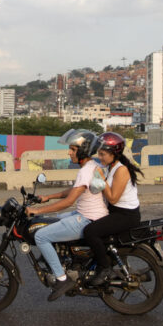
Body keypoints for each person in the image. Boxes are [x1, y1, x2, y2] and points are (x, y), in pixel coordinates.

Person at [25, 129, 108, 301]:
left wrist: (38, 210)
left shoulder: (85, 171)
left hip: (87, 219)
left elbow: (68, 201)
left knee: (41, 236)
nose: (69, 152)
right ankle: (59, 257)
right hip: (90, 214)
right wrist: (48, 197)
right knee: (54, 222)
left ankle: (62, 279)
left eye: (73, 149)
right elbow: (75, 190)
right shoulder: (92, 166)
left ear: (83, 150)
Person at [83, 132, 144, 285]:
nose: (100, 157)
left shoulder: (121, 170)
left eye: (103, 154)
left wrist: (101, 179)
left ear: (114, 154)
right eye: (99, 153)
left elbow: (113, 198)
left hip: (126, 216)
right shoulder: (112, 167)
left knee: (90, 231)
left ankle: (105, 268)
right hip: (116, 212)